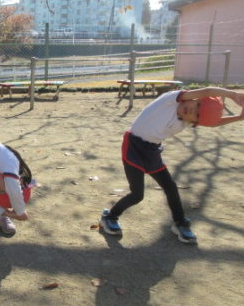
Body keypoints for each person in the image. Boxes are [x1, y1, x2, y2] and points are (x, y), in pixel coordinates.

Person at [100, 87, 244, 244]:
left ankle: (180, 223)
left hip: (152, 150)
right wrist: (233, 95)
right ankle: (110, 216)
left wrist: (239, 118)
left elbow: (213, 123)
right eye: (197, 105)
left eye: (197, 114)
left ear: (195, 122)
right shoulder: (171, 100)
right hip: (133, 146)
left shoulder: (186, 121)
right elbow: (207, 91)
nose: (192, 110)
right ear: (195, 98)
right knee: (137, 194)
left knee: (171, 187)